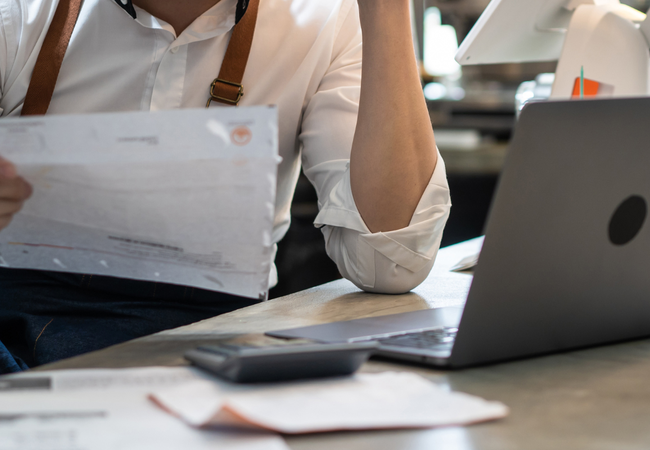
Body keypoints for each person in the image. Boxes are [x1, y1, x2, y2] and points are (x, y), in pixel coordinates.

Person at [0, 0, 451, 372]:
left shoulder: (327, 20)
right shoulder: (17, 13)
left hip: (215, 350)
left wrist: (386, 11)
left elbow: (389, 264)